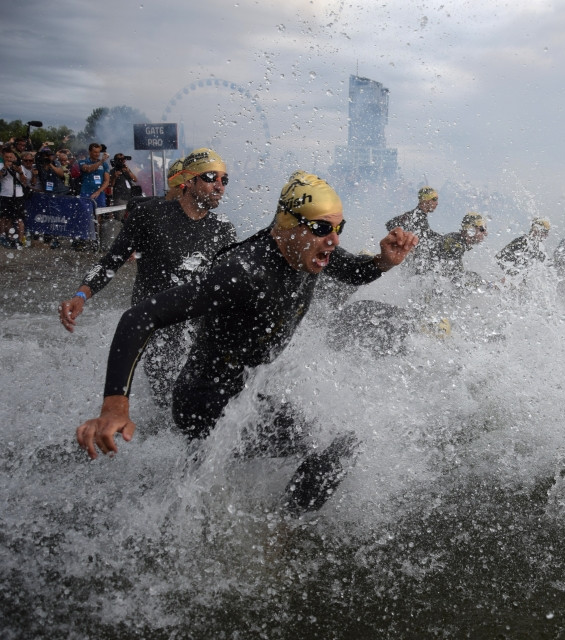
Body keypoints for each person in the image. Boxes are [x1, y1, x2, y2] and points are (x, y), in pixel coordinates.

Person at [74, 171, 418, 515]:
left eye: (338, 228)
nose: (334, 240)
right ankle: (278, 526)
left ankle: (203, 499)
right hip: (203, 403)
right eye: (322, 228)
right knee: (330, 444)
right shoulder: (243, 270)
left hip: (243, 393)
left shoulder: (311, 253)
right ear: (287, 223)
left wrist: (383, 261)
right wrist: (115, 406)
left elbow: (354, 271)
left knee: (339, 443)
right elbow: (140, 317)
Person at [59, 148, 237, 405]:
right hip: (155, 330)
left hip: (196, 333)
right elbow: (112, 261)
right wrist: (81, 295)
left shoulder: (223, 230)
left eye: (224, 180)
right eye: (211, 178)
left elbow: (227, 288)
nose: (219, 186)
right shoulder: (150, 216)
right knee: (167, 404)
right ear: (188, 180)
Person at [385, 186, 442, 273]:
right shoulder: (415, 216)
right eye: (434, 199)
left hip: (413, 264)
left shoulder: (417, 216)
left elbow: (427, 233)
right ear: (425, 200)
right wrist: (402, 240)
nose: (437, 203)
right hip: (414, 265)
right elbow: (390, 224)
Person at [426, 211, 488, 286]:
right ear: (471, 229)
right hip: (428, 282)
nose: (485, 233)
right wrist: (488, 285)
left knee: (473, 277)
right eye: (482, 229)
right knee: (474, 278)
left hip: (430, 278)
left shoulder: (456, 239)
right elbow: (456, 277)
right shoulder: (455, 245)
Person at [0, 146, 30, 247]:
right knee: (5, 218)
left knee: (19, 218)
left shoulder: (19, 166)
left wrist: (19, 171)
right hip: (5, 194)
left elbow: (25, 181)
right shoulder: (1, 165)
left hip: (18, 195)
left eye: (11, 157)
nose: (9, 159)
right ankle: (5, 237)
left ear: (14, 158)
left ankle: (20, 240)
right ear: (3, 157)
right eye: (7, 157)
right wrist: (5, 167)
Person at [78, 143, 111, 207]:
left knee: (99, 213)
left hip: (99, 193)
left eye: (98, 152)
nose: (97, 154)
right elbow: (88, 169)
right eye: (95, 152)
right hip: (86, 192)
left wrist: (98, 191)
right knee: (87, 213)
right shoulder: (83, 161)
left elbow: (107, 181)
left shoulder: (104, 164)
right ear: (89, 152)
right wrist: (101, 161)